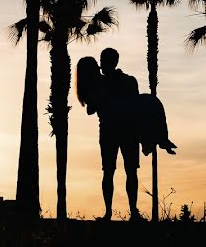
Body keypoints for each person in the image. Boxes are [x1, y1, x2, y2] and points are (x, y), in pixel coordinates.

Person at [75, 49, 177, 221]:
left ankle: (131, 211)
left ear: (114, 62)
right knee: (111, 172)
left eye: (104, 61)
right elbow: (91, 109)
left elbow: (134, 107)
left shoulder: (125, 81)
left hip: (125, 130)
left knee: (126, 172)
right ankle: (111, 212)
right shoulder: (102, 83)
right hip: (112, 131)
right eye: (101, 61)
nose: (102, 65)